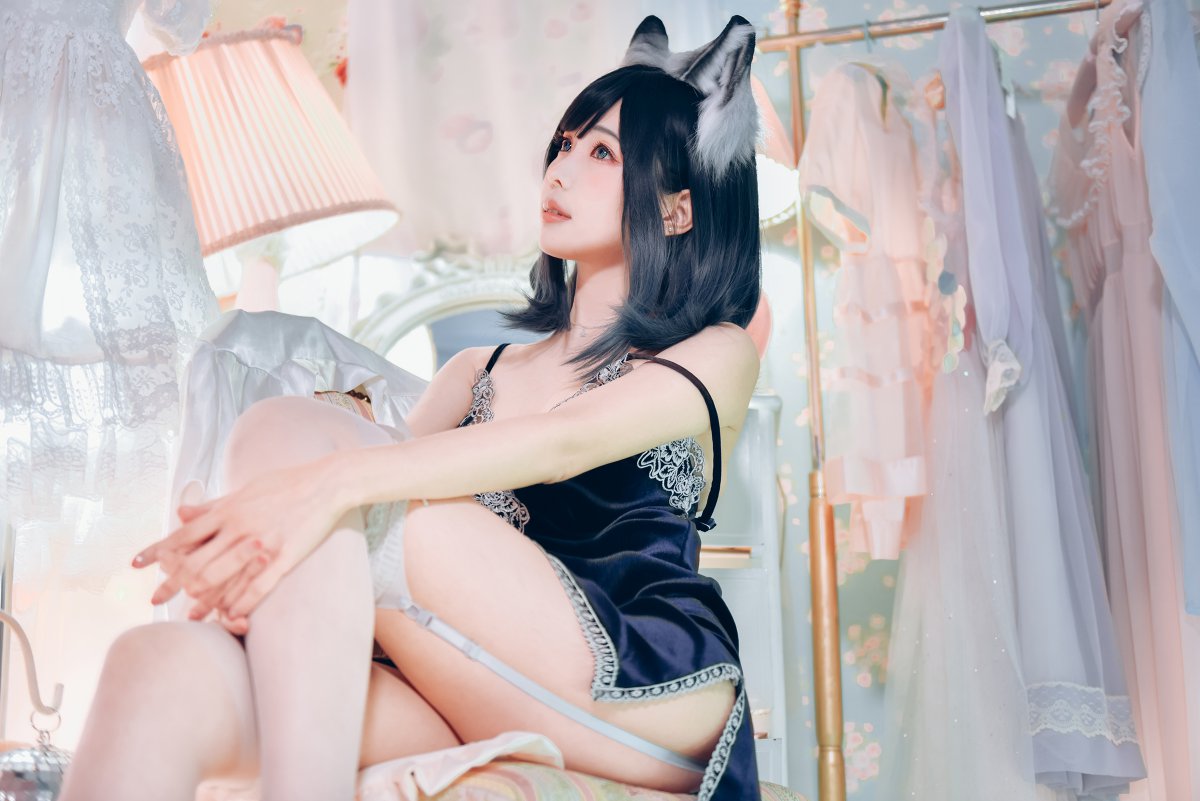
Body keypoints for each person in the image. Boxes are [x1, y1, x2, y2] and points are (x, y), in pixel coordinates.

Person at [57, 14, 763, 801]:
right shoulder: (473, 371)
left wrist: (321, 484)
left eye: (601, 153)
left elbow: (563, 442)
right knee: (156, 665)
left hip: (645, 678)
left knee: (314, 452)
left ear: (676, 209)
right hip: (465, 680)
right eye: (564, 144)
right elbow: (338, 545)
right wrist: (255, 547)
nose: (560, 170)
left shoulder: (716, 352)